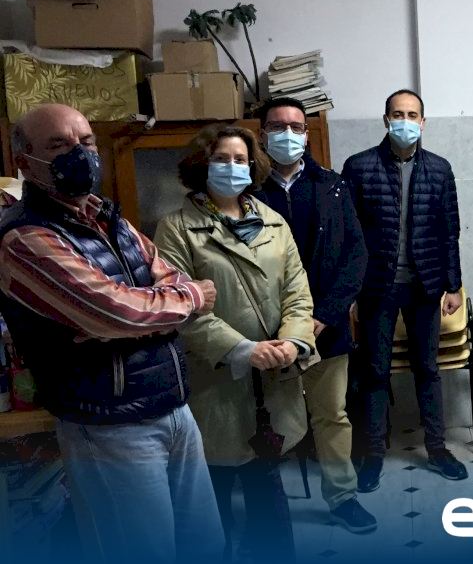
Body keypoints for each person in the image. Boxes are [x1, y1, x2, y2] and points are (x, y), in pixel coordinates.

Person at [0, 104, 223, 562]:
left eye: (85, 142)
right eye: (58, 144)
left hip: (173, 405)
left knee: (205, 545)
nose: (79, 153)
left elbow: (167, 276)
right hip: (108, 425)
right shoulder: (24, 238)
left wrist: (141, 310)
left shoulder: (107, 217)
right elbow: (114, 311)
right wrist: (179, 301)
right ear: (24, 161)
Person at [154, 124, 316, 561]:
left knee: (267, 485)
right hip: (215, 380)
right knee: (213, 494)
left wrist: (293, 341)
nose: (232, 167)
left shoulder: (273, 222)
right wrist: (243, 349)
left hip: (273, 377)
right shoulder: (176, 229)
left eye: (240, 160)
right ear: (202, 165)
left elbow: (297, 291)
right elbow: (179, 306)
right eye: (222, 159)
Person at [252, 97, 375, 532]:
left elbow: (355, 255)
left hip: (327, 326)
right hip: (268, 330)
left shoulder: (333, 186)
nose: (288, 134)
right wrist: (287, 325)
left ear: (307, 134)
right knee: (267, 419)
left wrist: (324, 314)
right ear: (262, 134)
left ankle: (342, 497)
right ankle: (267, 504)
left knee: (332, 415)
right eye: (277, 126)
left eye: (296, 127)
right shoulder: (247, 192)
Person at [341, 88, 468, 488]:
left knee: (427, 369)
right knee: (375, 372)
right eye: (398, 114)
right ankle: (373, 454)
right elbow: (349, 234)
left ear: (423, 122)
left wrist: (453, 285)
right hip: (376, 287)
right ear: (386, 120)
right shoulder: (359, 167)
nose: (405, 122)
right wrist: (350, 292)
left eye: (413, 115)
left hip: (425, 285)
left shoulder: (440, 169)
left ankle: (438, 448)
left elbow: (450, 232)